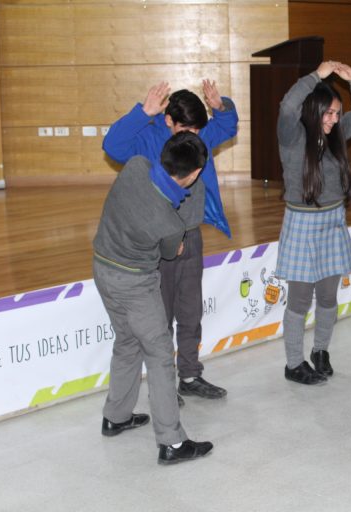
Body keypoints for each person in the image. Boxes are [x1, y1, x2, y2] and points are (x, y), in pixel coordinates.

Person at [103, 80, 238, 401]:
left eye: (195, 129)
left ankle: (190, 376)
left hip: (190, 236)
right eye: (185, 129)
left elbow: (228, 126)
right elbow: (113, 147)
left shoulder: (199, 135)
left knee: (190, 312)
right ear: (168, 121)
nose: (191, 136)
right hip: (157, 239)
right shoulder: (148, 136)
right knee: (160, 316)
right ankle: (163, 383)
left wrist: (221, 106)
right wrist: (141, 113)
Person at [94, 132, 214, 464]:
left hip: (102, 268)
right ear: (193, 174)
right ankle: (172, 443)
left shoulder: (134, 166)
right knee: (160, 356)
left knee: (127, 342)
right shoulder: (169, 221)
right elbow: (171, 253)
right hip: (135, 283)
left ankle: (115, 416)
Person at [275, 60, 351, 384]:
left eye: (336, 113)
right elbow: (289, 103)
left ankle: (320, 351)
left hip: (333, 221)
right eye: (328, 113)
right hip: (302, 223)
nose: (334, 120)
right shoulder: (292, 134)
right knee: (300, 299)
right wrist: (316, 75)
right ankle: (293, 364)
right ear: (314, 110)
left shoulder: (337, 133)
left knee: (328, 297)